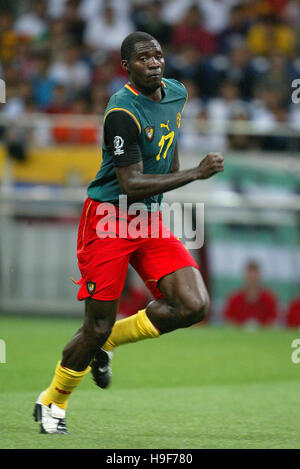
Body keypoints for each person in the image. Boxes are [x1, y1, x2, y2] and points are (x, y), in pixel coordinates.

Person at [33, 31, 224, 434]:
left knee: (193, 304)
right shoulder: (121, 111)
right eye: (143, 58)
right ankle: (53, 401)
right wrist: (194, 173)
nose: (154, 63)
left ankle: (110, 342)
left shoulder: (176, 92)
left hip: (147, 219)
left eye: (158, 56)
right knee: (95, 325)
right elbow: (131, 184)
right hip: (108, 220)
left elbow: (169, 131)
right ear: (127, 67)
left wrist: (172, 166)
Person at [223, 261, 277, 326]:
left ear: (259, 277)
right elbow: (229, 322)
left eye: (255, 276)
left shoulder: (269, 299)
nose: (252, 279)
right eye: (250, 276)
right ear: (245, 277)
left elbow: (273, 322)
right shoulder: (234, 299)